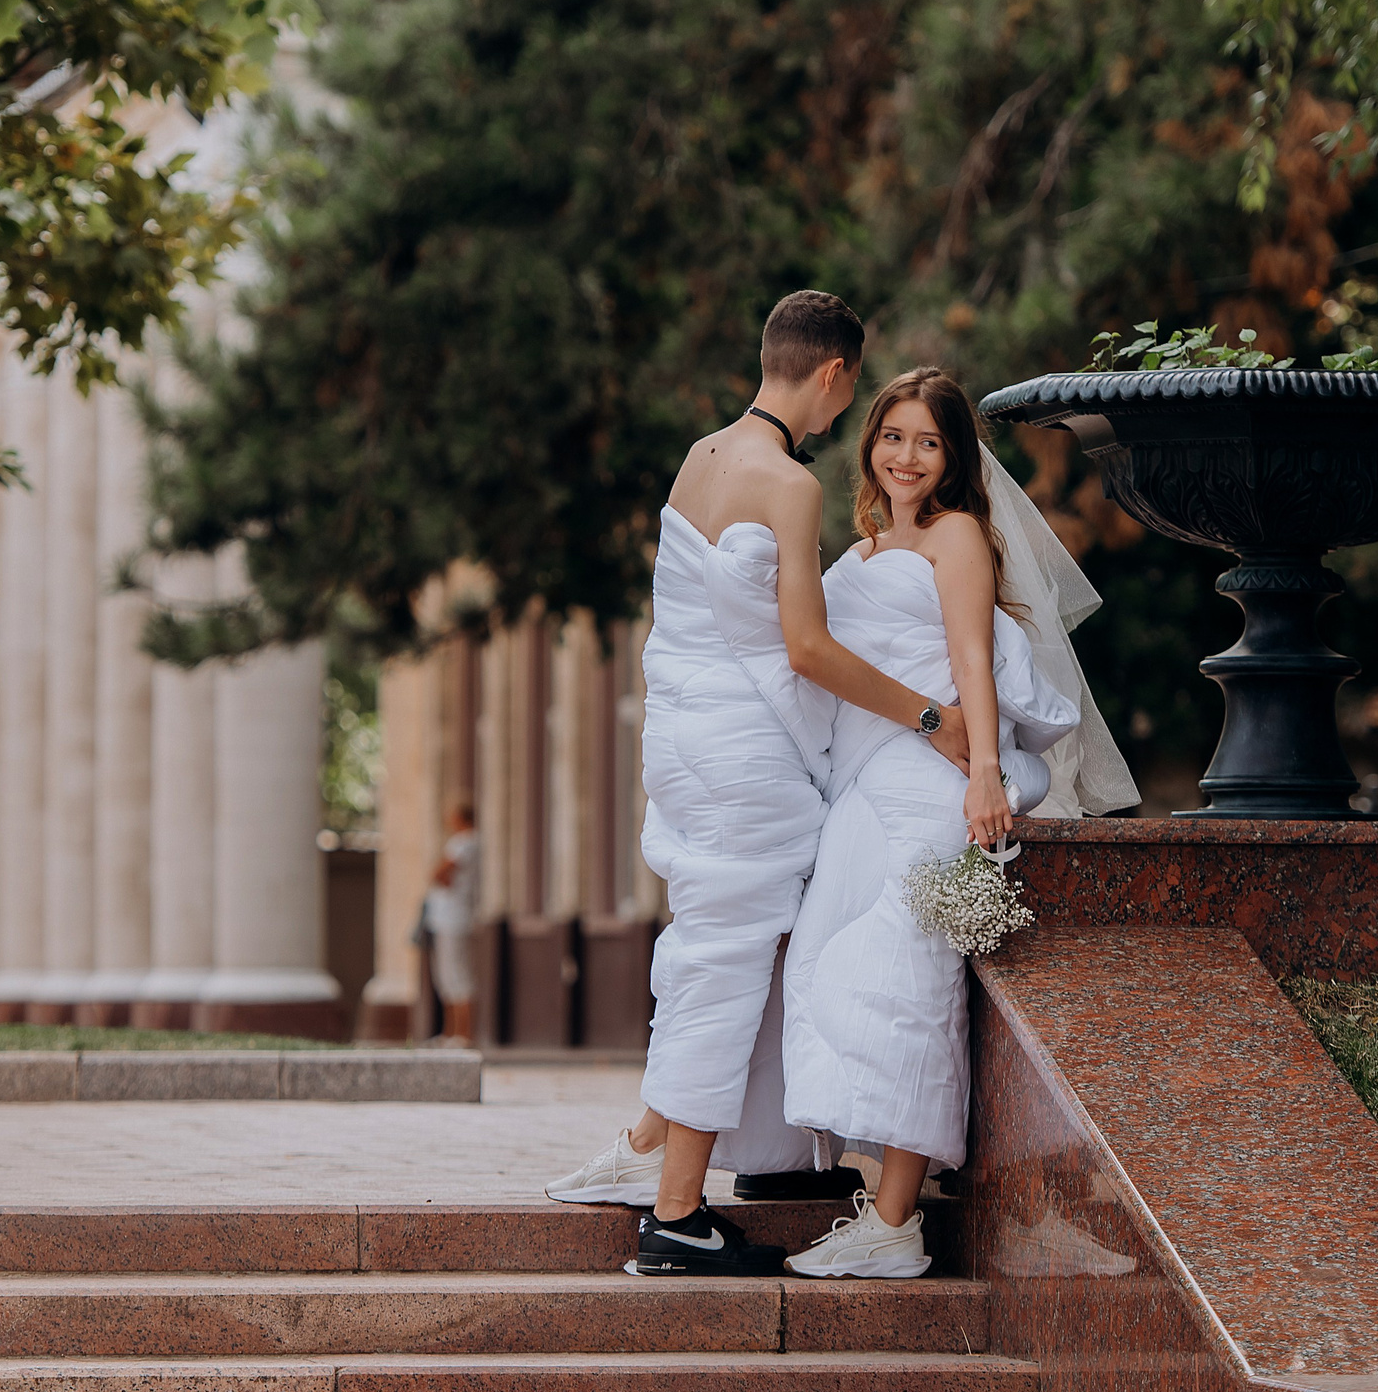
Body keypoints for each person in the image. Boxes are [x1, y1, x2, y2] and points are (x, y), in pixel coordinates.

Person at [542, 292, 977, 1278]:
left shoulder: (697, 456)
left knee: (706, 941)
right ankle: (678, 1214)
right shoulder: (787, 484)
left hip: (683, 740)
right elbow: (806, 647)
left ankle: (658, 1147)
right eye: (851, 394)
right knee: (731, 957)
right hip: (747, 756)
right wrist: (928, 717)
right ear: (833, 375)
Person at [776, 367, 1131, 1279]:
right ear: (871, 445)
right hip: (865, 790)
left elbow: (972, 658)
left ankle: (896, 1223)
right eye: (892, 436)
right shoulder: (859, 548)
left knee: (903, 980)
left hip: (936, 784)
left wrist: (982, 776)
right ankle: (879, 1202)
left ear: (953, 457)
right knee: (830, 969)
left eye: (927, 442)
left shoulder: (958, 535)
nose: (906, 457)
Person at [424, 801, 480, 1047]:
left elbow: (439, 872)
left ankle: (463, 1034)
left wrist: (440, 877)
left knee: (457, 976)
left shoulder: (465, 842)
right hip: (448, 918)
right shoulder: (467, 843)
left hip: (454, 919)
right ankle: (451, 1033)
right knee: (446, 977)